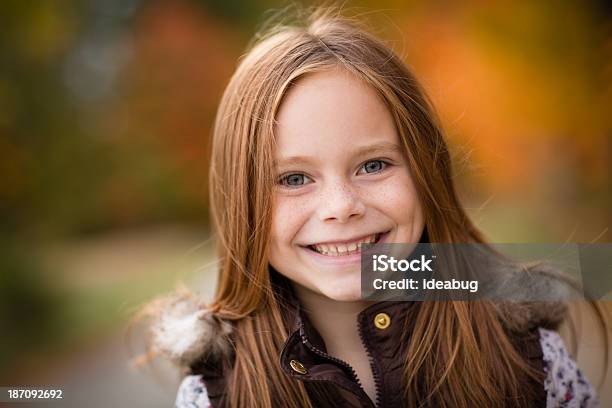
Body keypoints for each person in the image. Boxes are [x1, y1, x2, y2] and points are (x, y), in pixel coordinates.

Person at [147, 8, 601, 408]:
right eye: (293, 178)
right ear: (241, 203)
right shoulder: (215, 396)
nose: (341, 207)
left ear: (426, 173)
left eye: (373, 165)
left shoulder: (528, 362)